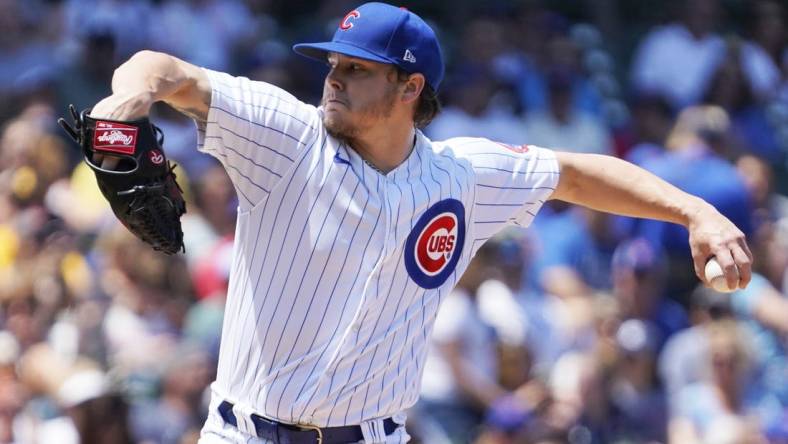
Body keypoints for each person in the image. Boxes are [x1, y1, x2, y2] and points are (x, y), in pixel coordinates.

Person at [84, 3, 752, 443]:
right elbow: (166, 70)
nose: (333, 79)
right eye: (333, 65)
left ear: (410, 88)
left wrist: (695, 210)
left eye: (356, 68)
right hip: (246, 432)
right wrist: (130, 98)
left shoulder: (462, 176)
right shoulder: (286, 135)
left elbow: (576, 173)